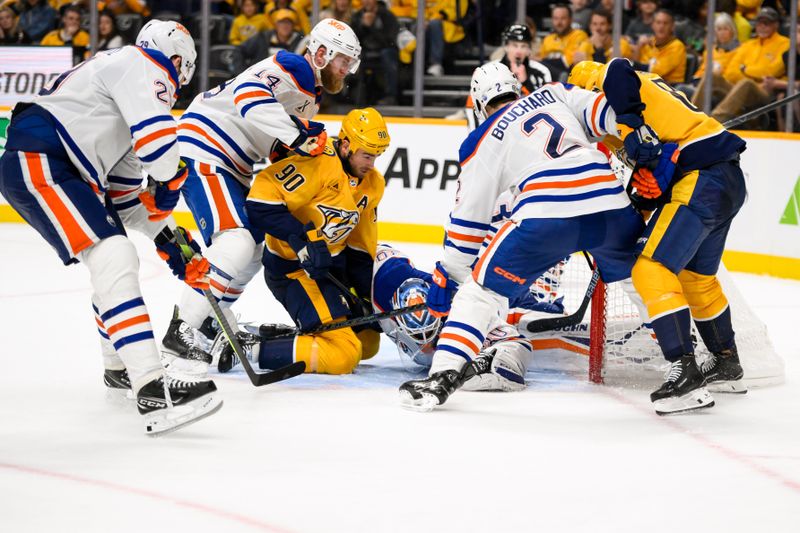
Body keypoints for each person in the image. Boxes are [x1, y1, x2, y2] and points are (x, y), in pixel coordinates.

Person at [0, 20, 223, 435]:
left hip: (53, 164)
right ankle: (152, 386)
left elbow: (125, 202)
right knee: (114, 255)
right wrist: (172, 181)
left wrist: (178, 246)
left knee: (114, 255)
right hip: (42, 159)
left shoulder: (123, 97)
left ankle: (120, 368)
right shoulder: (143, 64)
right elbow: (161, 157)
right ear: (179, 63)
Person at [398, 63, 645, 411]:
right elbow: (610, 114)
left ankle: (443, 376)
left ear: (478, 104)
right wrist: (639, 134)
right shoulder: (556, 92)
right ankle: (687, 351)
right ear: (518, 87)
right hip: (608, 202)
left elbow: (467, 228)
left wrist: (449, 275)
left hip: (546, 219)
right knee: (642, 276)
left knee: (479, 292)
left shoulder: (483, 138)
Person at [165, 19, 361, 372]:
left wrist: (306, 146)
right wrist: (299, 138)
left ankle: (212, 321)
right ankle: (182, 329)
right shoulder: (296, 67)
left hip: (229, 161)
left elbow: (270, 141)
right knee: (238, 241)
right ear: (320, 53)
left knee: (253, 251)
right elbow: (248, 98)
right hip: (206, 149)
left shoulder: (309, 92)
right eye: (342, 60)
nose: (347, 70)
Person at [569, 58, 748, 414]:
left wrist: (632, 126)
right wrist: (648, 189)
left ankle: (686, 372)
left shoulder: (613, 85)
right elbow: (660, 162)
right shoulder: (639, 102)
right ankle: (727, 363)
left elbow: (617, 67)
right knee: (696, 279)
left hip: (702, 179)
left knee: (650, 269)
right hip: (723, 180)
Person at [238, 108, 390, 375]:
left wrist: (366, 297)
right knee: (343, 354)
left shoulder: (373, 184)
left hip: (330, 271)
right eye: (367, 155)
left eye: (376, 156)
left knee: (367, 343)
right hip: (293, 270)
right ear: (346, 145)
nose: (371, 164)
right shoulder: (317, 162)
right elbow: (260, 203)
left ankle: (293, 337)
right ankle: (248, 349)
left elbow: (358, 247)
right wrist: (302, 241)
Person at [707, 7, 790, 126]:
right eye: (759, 23)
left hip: (765, 92)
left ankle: (713, 123)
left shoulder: (785, 43)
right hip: (738, 89)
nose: (762, 27)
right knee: (712, 76)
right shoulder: (748, 45)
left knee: (746, 83)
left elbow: (772, 71)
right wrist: (752, 74)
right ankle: (692, 114)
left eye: (766, 24)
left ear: (775, 25)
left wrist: (745, 69)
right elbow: (730, 72)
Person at [686, 12, 740, 108]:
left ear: (732, 30)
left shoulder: (740, 50)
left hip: (723, 89)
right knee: (681, 90)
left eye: (725, 29)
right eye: (719, 29)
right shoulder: (711, 50)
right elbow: (702, 70)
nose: (722, 33)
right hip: (702, 85)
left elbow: (731, 75)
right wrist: (695, 82)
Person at [351, 0, 399, 105]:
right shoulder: (357, 16)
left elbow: (390, 41)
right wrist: (364, 26)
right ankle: (355, 97)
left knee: (388, 54)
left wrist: (371, 27)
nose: (366, 2)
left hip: (385, 51)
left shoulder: (387, 16)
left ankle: (390, 96)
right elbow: (354, 41)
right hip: (364, 52)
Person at [634, 8, 686, 84]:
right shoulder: (648, 42)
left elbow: (656, 72)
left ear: (672, 27)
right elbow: (635, 66)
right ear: (652, 25)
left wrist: (636, 66)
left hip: (671, 88)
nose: (661, 26)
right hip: (648, 84)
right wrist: (638, 46)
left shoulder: (677, 46)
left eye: (665, 23)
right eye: (658, 22)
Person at [239, 8, 304, 66]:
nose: (285, 26)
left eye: (289, 22)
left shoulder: (300, 41)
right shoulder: (263, 37)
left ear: (293, 25)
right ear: (276, 24)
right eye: (282, 22)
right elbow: (239, 50)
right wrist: (242, 72)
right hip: (260, 76)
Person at [539, 3, 590, 77]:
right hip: (549, 78)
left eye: (563, 18)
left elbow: (566, 63)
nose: (559, 22)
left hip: (570, 77)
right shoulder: (548, 38)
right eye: (556, 18)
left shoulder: (579, 35)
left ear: (570, 20)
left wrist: (541, 61)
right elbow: (542, 60)